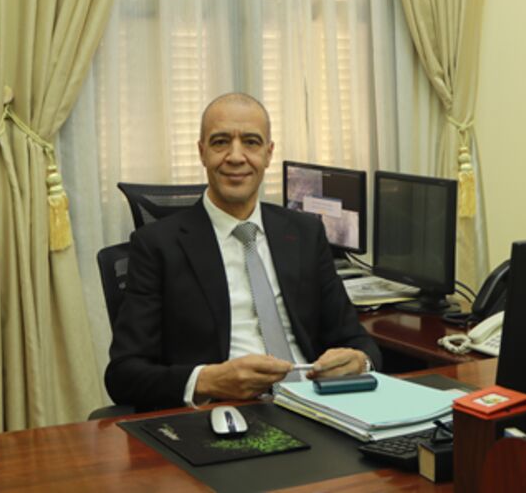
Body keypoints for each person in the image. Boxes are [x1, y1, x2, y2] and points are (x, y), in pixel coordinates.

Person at [104, 92, 382, 410]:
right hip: (223, 412)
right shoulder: (156, 245)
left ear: (268, 153)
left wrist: (360, 361)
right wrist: (209, 381)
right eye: (221, 142)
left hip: (315, 404)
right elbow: (123, 375)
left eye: (251, 142)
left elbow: (358, 341)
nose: (236, 157)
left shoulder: (305, 232)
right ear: (202, 152)